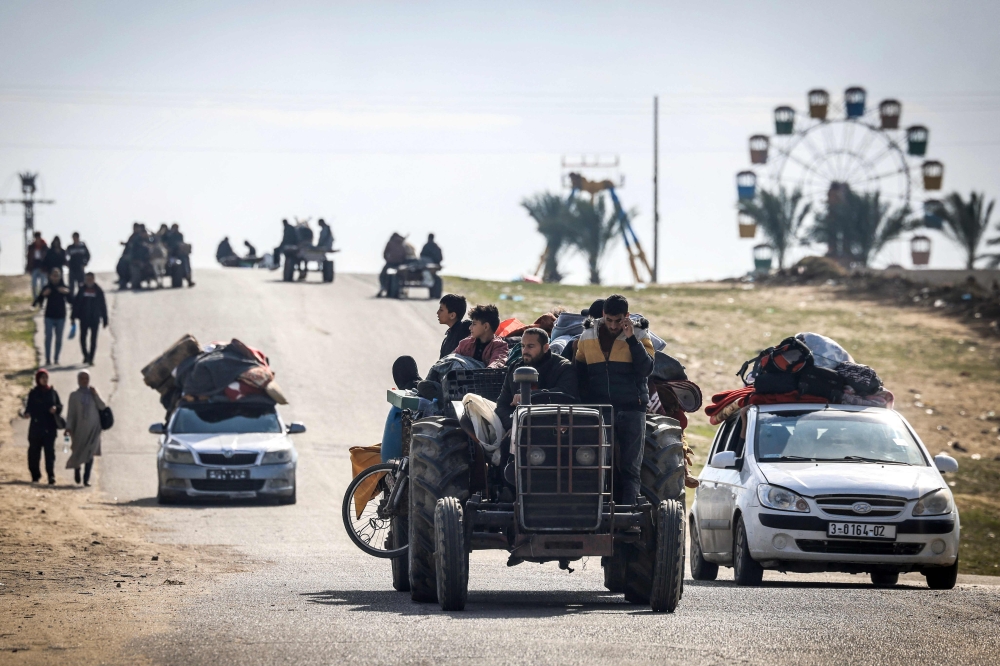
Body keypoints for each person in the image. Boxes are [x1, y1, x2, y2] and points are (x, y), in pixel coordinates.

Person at [575, 294, 654, 506]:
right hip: (600, 410)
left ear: (626, 316)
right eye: (609, 320)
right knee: (598, 464)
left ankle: (628, 517)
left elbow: (646, 368)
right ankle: (598, 516)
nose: (613, 325)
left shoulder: (640, 334)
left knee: (631, 469)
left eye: (618, 320)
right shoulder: (588, 335)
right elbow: (579, 373)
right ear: (603, 315)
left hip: (632, 409)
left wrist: (631, 339)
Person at [494, 327, 577, 431]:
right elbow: (502, 404)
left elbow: (567, 395)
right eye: (523, 346)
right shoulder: (515, 367)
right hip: (519, 428)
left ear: (545, 347)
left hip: (553, 429)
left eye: (530, 346)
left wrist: (528, 397)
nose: (525, 351)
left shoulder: (563, 367)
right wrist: (513, 425)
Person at [64, 370, 106, 486]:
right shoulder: (74, 396)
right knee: (77, 451)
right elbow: (71, 414)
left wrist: (96, 394)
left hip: (94, 430)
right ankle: (77, 469)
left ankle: (86, 478)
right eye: (82, 378)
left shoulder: (93, 394)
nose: (84, 380)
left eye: (86, 378)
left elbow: (102, 407)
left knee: (90, 452)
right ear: (78, 380)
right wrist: (68, 428)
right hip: (79, 430)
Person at [22, 369, 62, 485]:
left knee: (50, 453)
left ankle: (51, 475)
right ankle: (35, 476)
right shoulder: (34, 393)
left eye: (46, 377)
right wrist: (27, 413)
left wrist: (56, 409)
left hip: (50, 427)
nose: (45, 380)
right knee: (34, 453)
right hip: (36, 427)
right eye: (42, 378)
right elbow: (28, 407)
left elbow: (59, 405)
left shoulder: (52, 392)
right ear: (38, 379)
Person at [33, 268, 70, 365]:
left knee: (58, 339)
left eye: (57, 275)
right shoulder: (47, 287)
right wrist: (43, 295)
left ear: (60, 276)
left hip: (61, 316)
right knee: (48, 337)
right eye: (53, 275)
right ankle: (48, 359)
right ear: (50, 276)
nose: (55, 277)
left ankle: (56, 358)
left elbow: (71, 300)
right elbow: (39, 300)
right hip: (49, 316)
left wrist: (67, 292)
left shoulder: (63, 287)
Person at [454, 304, 508, 369]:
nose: (470, 327)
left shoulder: (499, 346)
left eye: (474, 324)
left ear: (486, 326)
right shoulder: (466, 343)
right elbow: (452, 359)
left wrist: (489, 370)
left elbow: (498, 361)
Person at [71, 273, 108, 365]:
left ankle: (91, 358)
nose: (89, 281)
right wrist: (73, 317)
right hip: (84, 318)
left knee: (93, 340)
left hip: (95, 319)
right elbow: (75, 304)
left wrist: (105, 319)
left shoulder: (98, 291)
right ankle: (85, 355)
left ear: (93, 279)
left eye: (90, 279)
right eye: (87, 279)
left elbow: (103, 305)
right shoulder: (81, 290)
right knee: (83, 338)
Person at [438, 293, 472, 358]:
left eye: (441, 310)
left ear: (452, 315)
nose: (437, 312)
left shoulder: (464, 328)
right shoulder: (447, 339)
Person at [378, 232, 408, 297]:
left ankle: (383, 286)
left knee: (382, 274)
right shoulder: (402, 243)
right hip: (400, 263)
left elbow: (385, 253)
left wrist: (387, 259)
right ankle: (402, 289)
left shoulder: (390, 242)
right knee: (402, 275)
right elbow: (405, 254)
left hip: (391, 262)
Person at [65, 232, 91, 297]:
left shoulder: (83, 246)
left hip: (80, 269)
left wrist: (85, 264)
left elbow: (88, 255)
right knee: (71, 286)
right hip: (72, 269)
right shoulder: (70, 247)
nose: (75, 239)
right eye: (74, 238)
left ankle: (81, 301)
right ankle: (72, 301)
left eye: (76, 237)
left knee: (81, 285)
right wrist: (67, 264)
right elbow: (65, 256)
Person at [26, 232, 49, 298]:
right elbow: (29, 258)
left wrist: (47, 268)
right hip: (34, 267)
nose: (37, 238)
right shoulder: (32, 246)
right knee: (34, 284)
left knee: (42, 285)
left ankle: (42, 299)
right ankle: (36, 298)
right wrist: (28, 268)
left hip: (43, 268)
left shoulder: (44, 246)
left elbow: (47, 258)